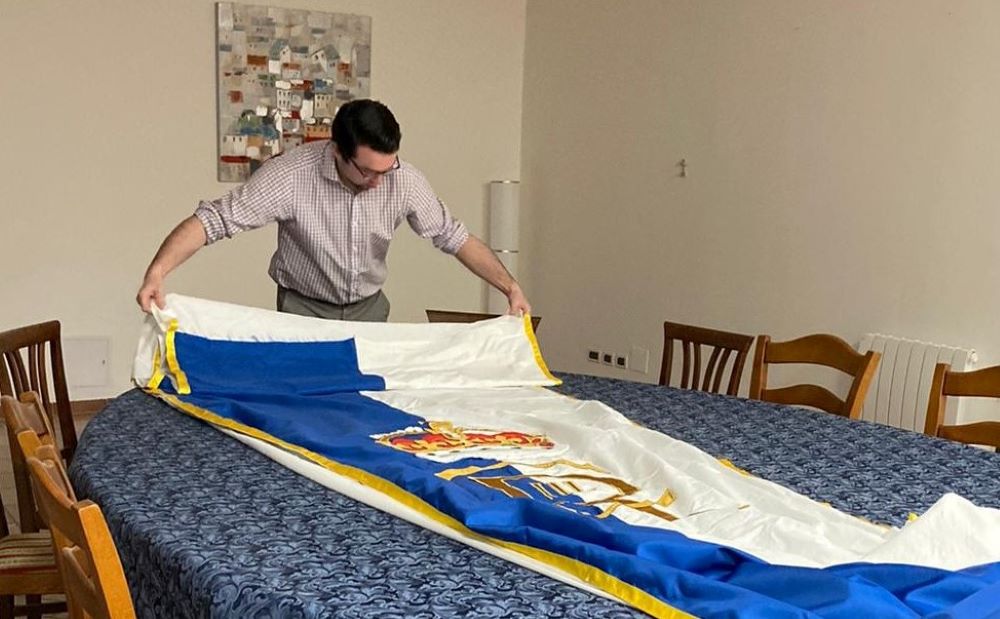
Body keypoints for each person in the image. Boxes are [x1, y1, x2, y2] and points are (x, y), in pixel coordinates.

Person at [136, 99, 530, 321]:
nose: (379, 180)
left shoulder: (403, 178)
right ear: (337, 151)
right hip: (302, 309)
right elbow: (213, 221)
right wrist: (157, 272)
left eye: (387, 167)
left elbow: (455, 237)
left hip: (369, 309)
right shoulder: (290, 176)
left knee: (364, 411)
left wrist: (510, 287)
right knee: (304, 413)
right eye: (367, 170)